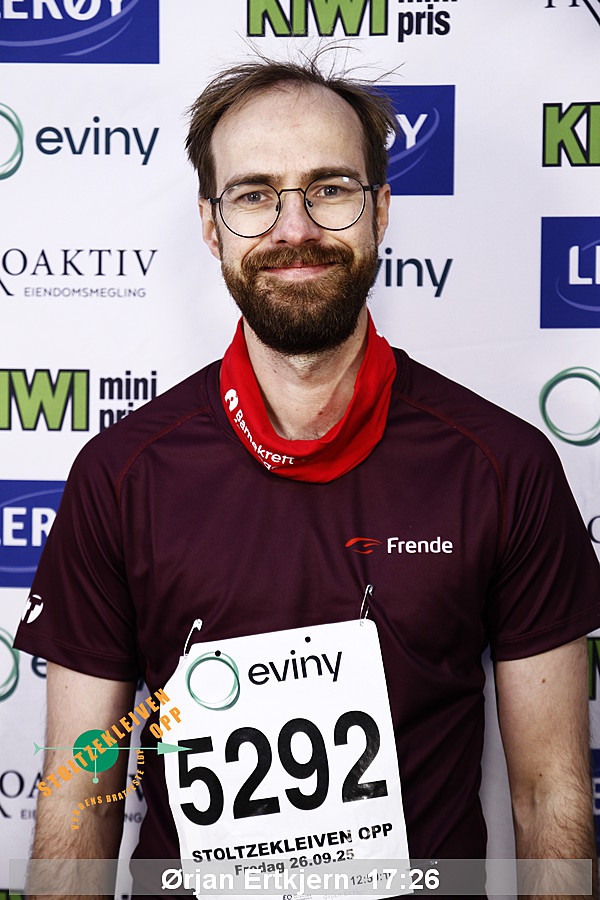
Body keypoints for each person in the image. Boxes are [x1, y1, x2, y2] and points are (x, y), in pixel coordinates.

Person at [14, 54, 600, 898]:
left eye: (329, 188)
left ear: (381, 211)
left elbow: (551, 799)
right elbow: (80, 797)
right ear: (212, 226)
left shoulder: (503, 466)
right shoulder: (121, 476)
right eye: (255, 195)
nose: (295, 228)